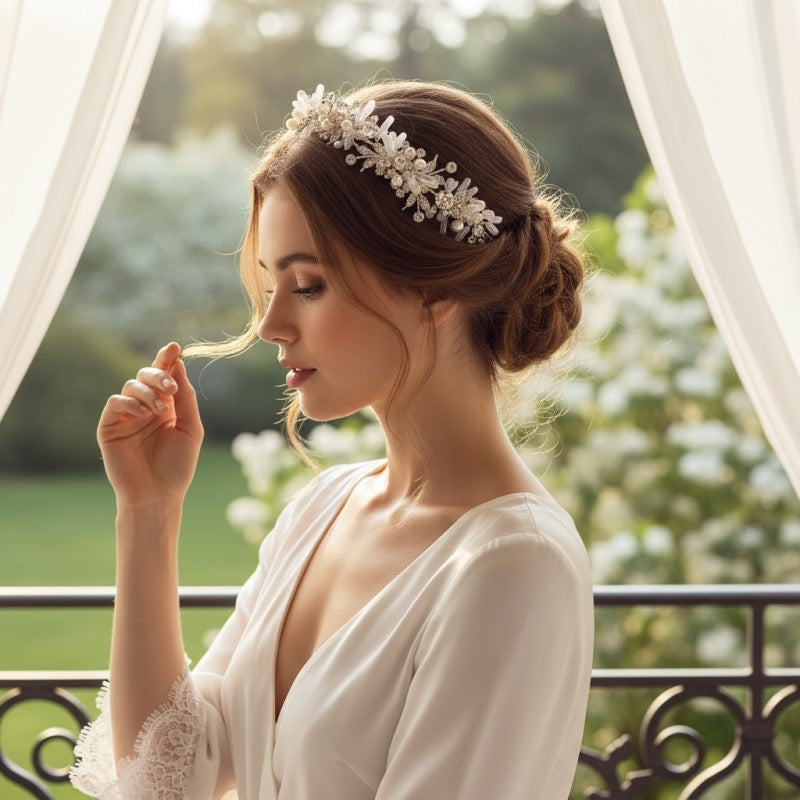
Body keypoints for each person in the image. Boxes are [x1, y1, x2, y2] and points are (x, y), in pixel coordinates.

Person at [70, 80, 593, 800]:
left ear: (435, 289)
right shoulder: (323, 508)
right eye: (269, 284)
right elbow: (167, 778)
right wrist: (149, 515)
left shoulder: (511, 563)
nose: (272, 325)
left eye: (308, 285)